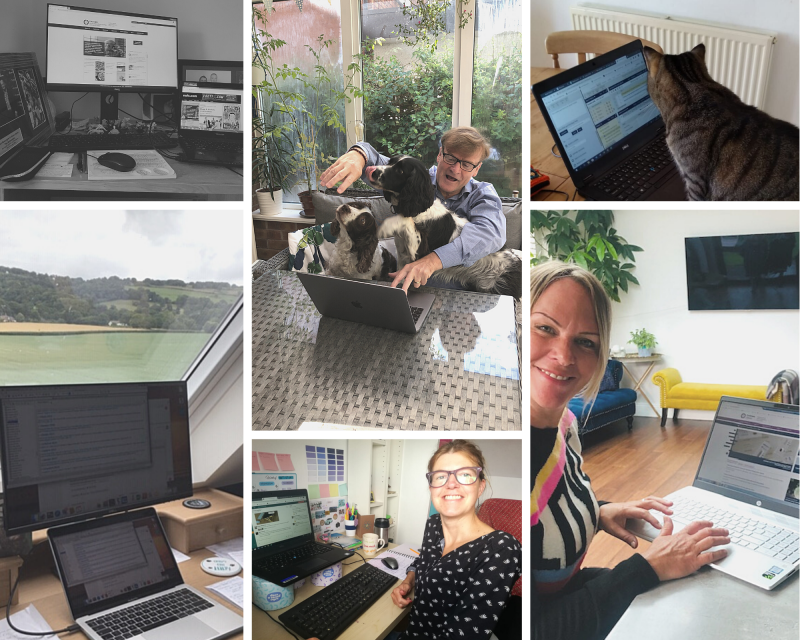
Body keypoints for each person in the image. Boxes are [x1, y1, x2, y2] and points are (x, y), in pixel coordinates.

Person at [529, 261, 731, 640]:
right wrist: (647, 568)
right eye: (545, 328)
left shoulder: (564, 424)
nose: (564, 356)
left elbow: (551, 497)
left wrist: (596, 510)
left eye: (585, 342)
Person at [319, 127, 506, 293]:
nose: (456, 169)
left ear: (476, 169)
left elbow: (491, 234)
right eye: (451, 158)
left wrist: (433, 260)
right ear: (440, 154)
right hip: (404, 287)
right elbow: (375, 161)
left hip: (460, 290)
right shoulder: (413, 176)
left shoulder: (483, 194)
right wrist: (358, 155)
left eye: (466, 164)